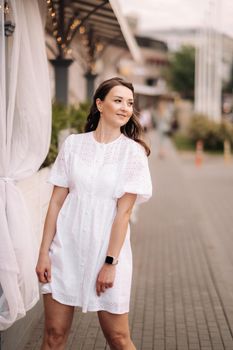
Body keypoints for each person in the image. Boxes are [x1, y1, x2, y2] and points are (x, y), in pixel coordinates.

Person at [36, 77, 152, 350]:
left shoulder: (133, 153)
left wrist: (110, 263)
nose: (125, 108)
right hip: (65, 251)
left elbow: (123, 214)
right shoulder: (74, 145)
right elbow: (55, 204)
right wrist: (43, 253)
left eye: (130, 103)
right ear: (100, 104)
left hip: (107, 253)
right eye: (118, 100)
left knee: (119, 339)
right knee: (53, 336)